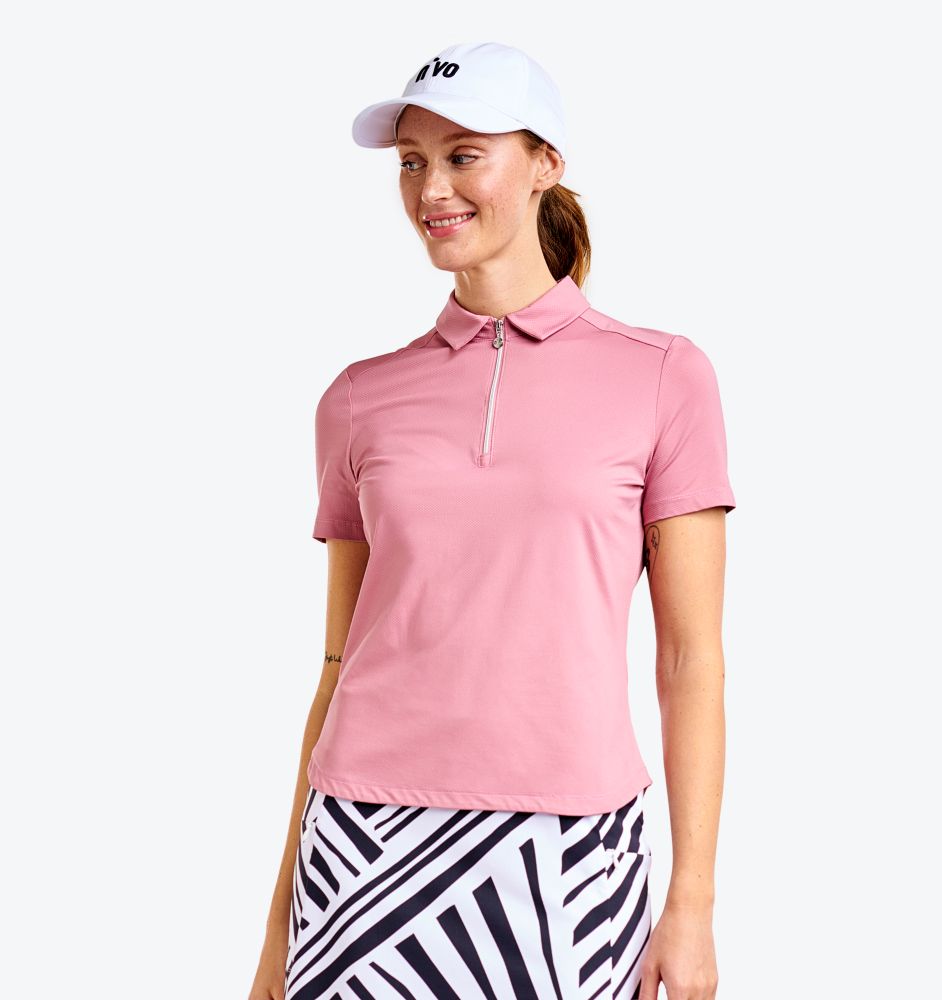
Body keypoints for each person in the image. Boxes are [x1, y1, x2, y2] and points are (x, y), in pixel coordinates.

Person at [249, 41, 736, 1000]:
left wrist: (692, 902)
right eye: (412, 161)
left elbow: (690, 661)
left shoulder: (663, 377)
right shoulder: (359, 398)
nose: (431, 188)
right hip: (359, 848)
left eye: (464, 155)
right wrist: (278, 929)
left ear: (546, 162)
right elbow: (339, 665)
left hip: (569, 850)